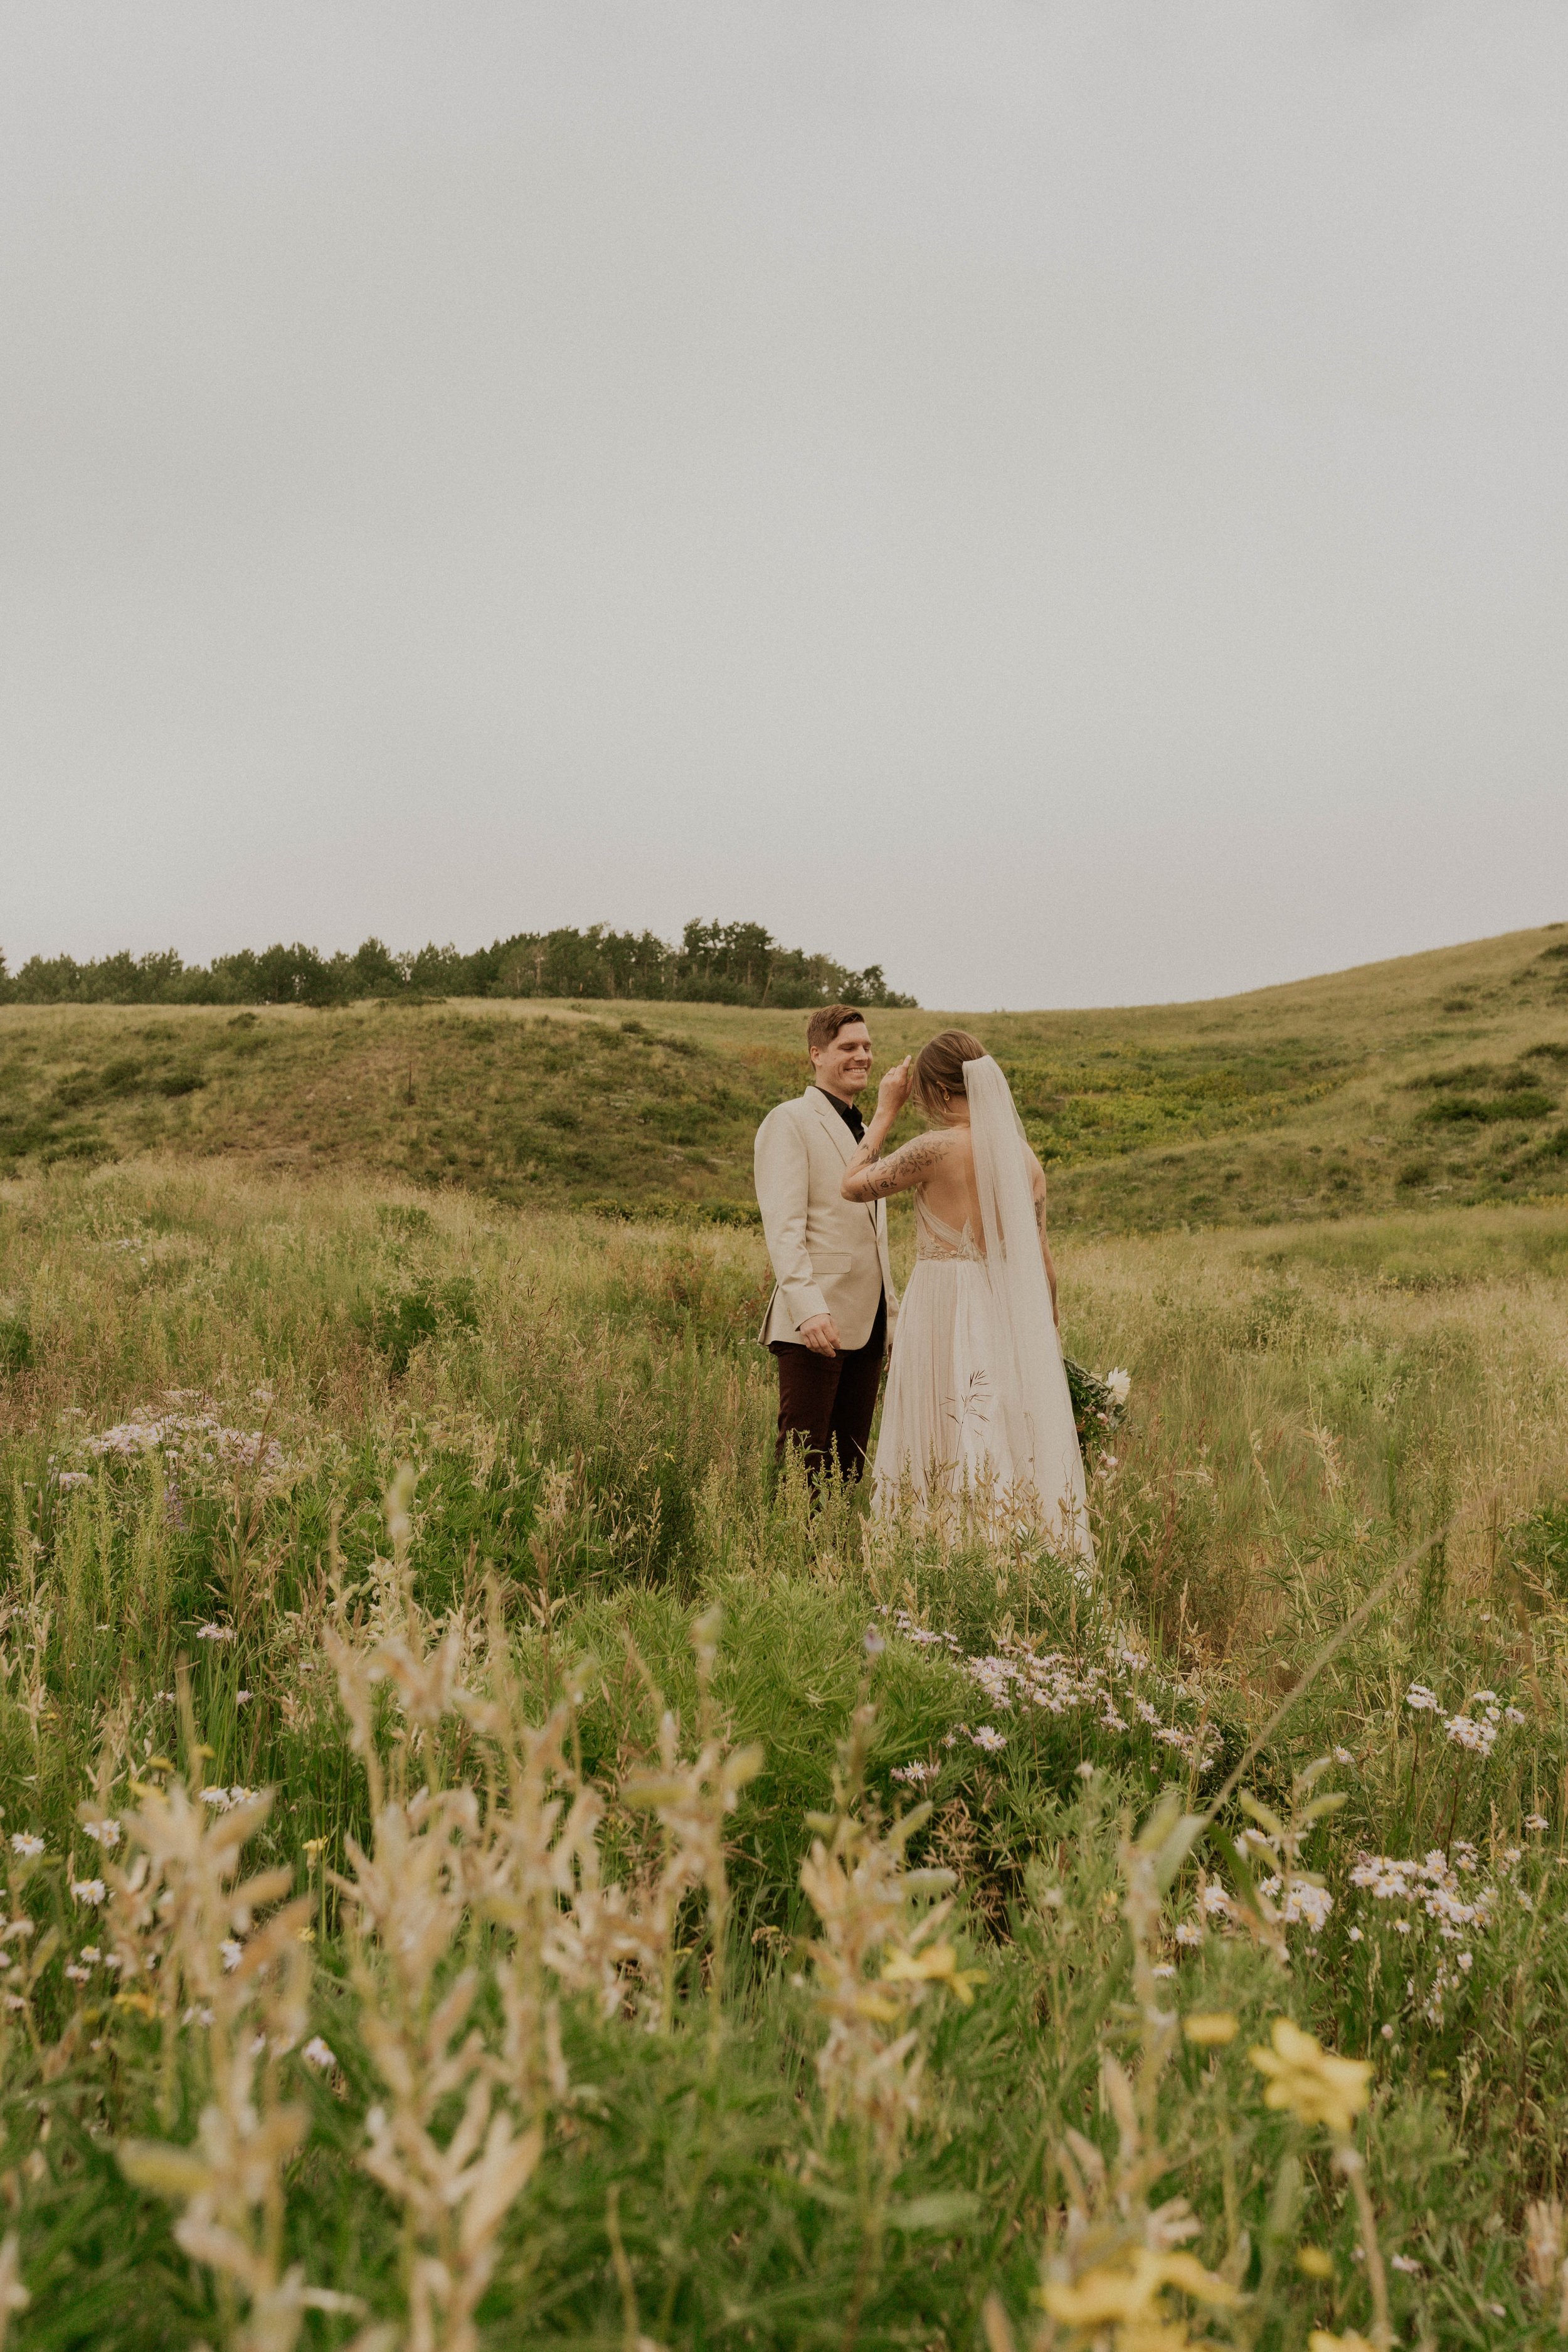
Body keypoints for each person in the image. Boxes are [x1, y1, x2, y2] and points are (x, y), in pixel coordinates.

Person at [839, 1030, 1091, 1555]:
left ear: (935, 1090)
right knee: (993, 1419)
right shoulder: (1024, 1159)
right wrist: (1045, 1326)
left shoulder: (934, 1148)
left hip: (941, 1299)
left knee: (939, 1420)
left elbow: (852, 1185)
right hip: (1003, 1304)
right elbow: (1044, 1259)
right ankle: (1006, 1545)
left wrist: (884, 1111)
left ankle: (936, 1549)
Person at [754, 1004, 899, 1490]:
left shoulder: (864, 1130)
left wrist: (892, 1312)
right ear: (816, 1055)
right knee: (804, 1458)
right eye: (848, 1048)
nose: (863, 1056)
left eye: (867, 1047)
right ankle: (784, 1559)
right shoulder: (790, 1121)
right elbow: (783, 1226)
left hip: (869, 1318)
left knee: (848, 1463)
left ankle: (829, 1563)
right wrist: (808, 1307)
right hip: (815, 1319)